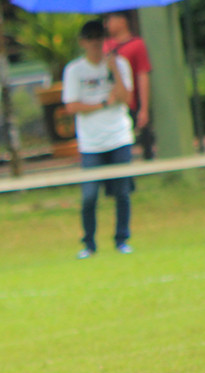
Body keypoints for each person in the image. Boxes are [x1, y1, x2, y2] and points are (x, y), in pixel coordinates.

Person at [63, 19, 135, 259]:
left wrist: (114, 69)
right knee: (89, 196)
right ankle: (89, 243)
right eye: (91, 39)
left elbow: (126, 97)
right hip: (91, 143)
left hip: (119, 137)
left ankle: (122, 239)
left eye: (99, 38)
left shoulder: (120, 64)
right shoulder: (74, 70)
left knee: (122, 193)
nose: (96, 44)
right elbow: (72, 106)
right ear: (83, 42)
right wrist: (103, 103)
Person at [104, 11, 153, 161]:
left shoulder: (137, 44)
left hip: (132, 99)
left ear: (123, 21)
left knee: (142, 133)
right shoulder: (105, 46)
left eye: (110, 20)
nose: (107, 24)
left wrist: (144, 108)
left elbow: (142, 75)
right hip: (113, 101)